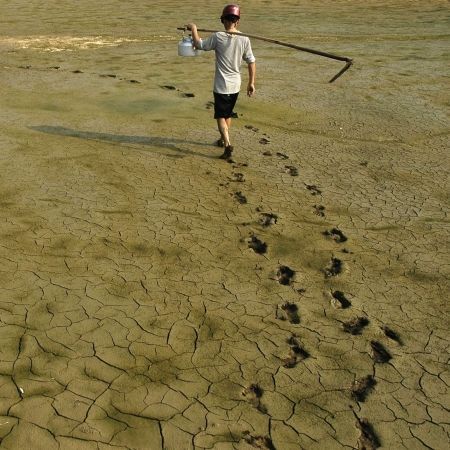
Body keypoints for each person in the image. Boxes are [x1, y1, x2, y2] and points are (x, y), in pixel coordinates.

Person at [187, 4, 256, 161]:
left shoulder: (218, 37)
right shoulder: (244, 38)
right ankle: (222, 139)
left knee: (220, 116)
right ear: (237, 22)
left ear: (223, 21)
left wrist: (194, 28)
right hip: (236, 85)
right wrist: (251, 83)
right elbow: (251, 62)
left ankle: (228, 145)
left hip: (221, 85)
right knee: (227, 114)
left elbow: (199, 45)